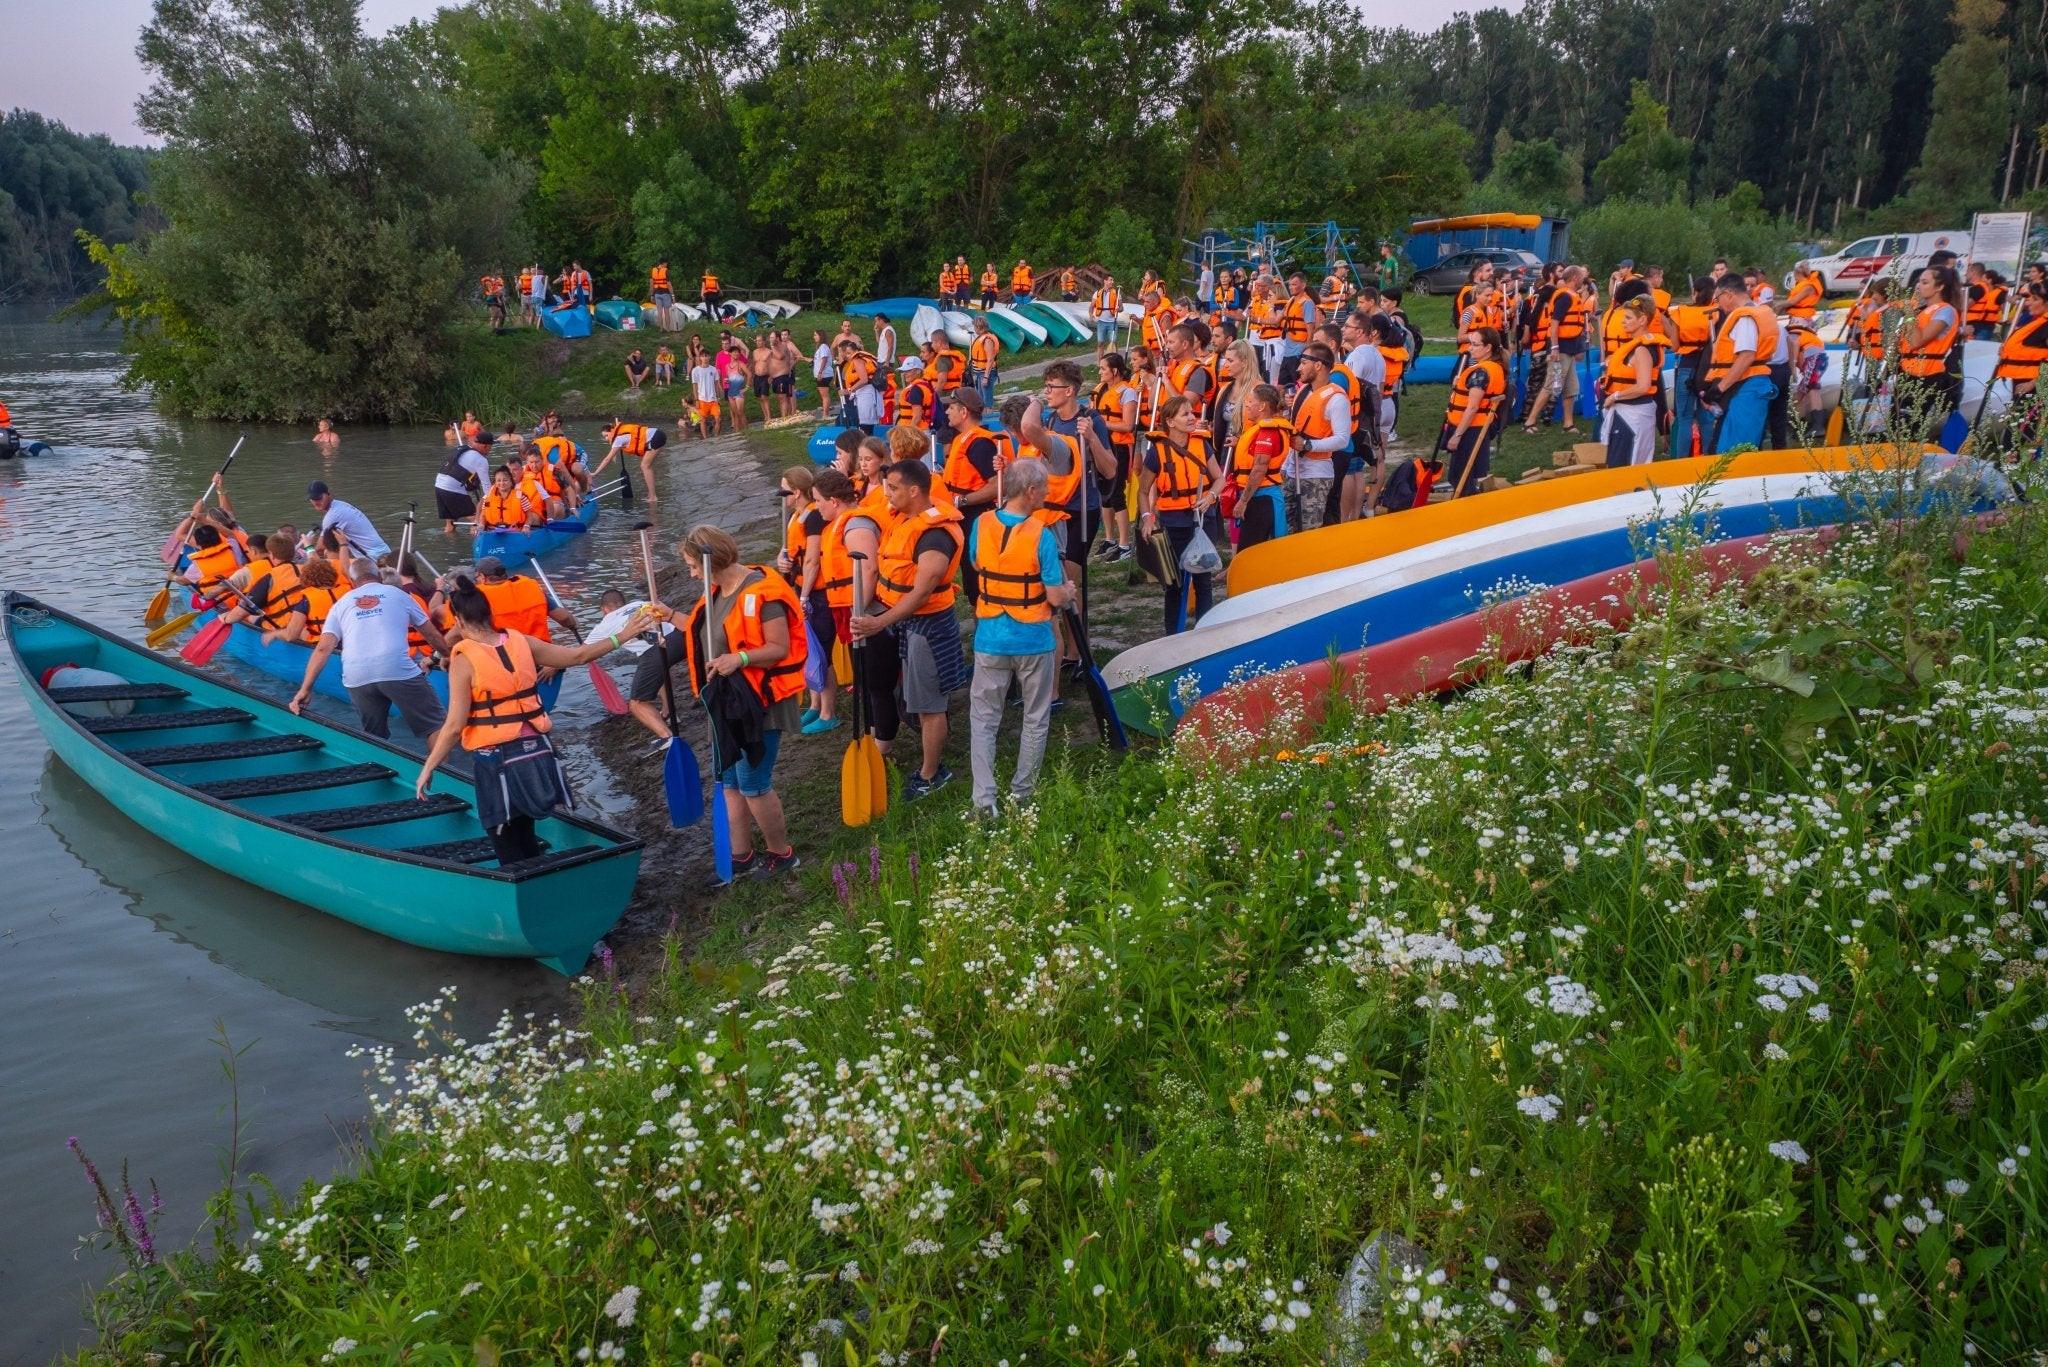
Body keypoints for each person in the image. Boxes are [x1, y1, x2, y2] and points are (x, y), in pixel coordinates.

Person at [415, 578, 646, 865]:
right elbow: (579, 655)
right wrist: (623, 634)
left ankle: (524, 883)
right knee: (525, 830)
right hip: (538, 750)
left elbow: (453, 727)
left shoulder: (464, 660)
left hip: (497, 759)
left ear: (459, 621)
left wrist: (428, 767)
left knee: (504, 837)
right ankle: (540, 876)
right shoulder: (521, 641)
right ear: (490, 613)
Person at [674, 524, 807, 880]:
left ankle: (782, 854)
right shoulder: (715, 591)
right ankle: (741, 854)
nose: (691, 575)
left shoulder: (763, 593)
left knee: (753, 784)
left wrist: (740, 659)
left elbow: (778, 648)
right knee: (730, 781)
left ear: (711, 561)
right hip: (728, 704)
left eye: (692, 566)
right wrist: (668, 616)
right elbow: (711, 632)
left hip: (760, 702)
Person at [851, 460, 967, 798]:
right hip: (908, 624)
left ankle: (931, 774)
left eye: (893, 488)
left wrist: (879, 622)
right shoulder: (904, 518)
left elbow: (921, 593)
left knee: (929, 705)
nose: (886, 494)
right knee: (916, 699)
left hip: (929, 627)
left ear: (914, 491)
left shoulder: (935, 536)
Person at [964, 457, 1073, 818]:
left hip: (990, 639)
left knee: (984, 720)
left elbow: (978, 563)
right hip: (1033, 640)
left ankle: (984, 800)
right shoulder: (1042, 535)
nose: (1047, 493)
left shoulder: (981, 524)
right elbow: (1055, 595)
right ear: (1029, 491)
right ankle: (1023, 794)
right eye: (1044, 488)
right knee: (1035, 717)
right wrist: (1068, 592)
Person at [287, 556, 451, 738]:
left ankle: (377, 751)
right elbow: (431, 634)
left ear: (352, 581)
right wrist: (445, 655)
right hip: (396, 669)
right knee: (436, 727)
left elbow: (323, 649)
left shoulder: (340, 604)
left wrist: (305, 689)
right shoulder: (399, 594)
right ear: (379, 576)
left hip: (356, 675)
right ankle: (435, 756)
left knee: (374, 736)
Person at [1138, 394, 1224, 632]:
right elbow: (1143, 492)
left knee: (1203, 582)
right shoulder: (1156, 452)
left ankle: (1203, 633)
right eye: (1185, 414)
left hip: (1202, 521)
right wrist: (1147, 518)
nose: (1192, 417)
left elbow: (1219, 479)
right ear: (1170, 422)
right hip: (1174, 524)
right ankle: (1173, 635)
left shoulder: (1202, 445)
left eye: (1192, 413)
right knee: (1174, 584)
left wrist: (1211, 496)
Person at [775, 466, 837, 734]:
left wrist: (803, 596)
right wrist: (782, 562)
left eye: (784, 490)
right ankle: (814, 705)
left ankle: (828, 713)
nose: (782, 495)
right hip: (801, 588)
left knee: (822, 650)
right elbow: (790, 551)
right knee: (808, 649)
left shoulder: (813, 517)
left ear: (797, 491)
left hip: (816, 594)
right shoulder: (795, 517)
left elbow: (812, 560)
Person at [1701, 273, 1780, 453]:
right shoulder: (1759, 312)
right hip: (1752, 385)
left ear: (1728, 294)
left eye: (1718, 298)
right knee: (1745, 445)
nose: (1718, 304)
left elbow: (1746, 356)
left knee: (1734, 450)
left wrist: (1719, 389)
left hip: (1747, 388)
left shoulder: (1744, 318)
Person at [1285, 342, 1350, 534]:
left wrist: (1307, 444)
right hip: (1291, 469)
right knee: (1287, 529)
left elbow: (1342, 439)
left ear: (1318, 365)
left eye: (1303, 363)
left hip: (1315, 474)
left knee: (1309, 530)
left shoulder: (1336, 399)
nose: (1299, 368)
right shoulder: (1303, 391)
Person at [1896, 263, 1964, 426]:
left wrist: (1909, 314)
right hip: (1908, 371)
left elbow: (1916, 341)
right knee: (1896, 421)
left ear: (1940, 287)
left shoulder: (1945, 311)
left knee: (1909, 424)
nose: (1918, 286)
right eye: (1919, 282)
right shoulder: (1921, 311)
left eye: (1925, 282)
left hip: (1926, 375)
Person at [1227, 382, 1291, 552]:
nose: (1247, 405)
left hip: (1264, 498)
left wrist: (1243, 501)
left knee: (1254, 552)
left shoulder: (1268, 432)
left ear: (1262, 406)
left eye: (1250, 401)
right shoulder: (1259, 430)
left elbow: (1259, 469)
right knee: (1249, 550)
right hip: (1256, 496)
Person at [1600, 297, 1662, 466]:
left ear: (1642, 320)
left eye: (1628, 318)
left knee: (1623, 466)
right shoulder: (1637, 345)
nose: (1623, 322)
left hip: (1632, 415)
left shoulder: (1642, 349)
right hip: (1630, 413)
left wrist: (1614, 396)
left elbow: (1643, 386)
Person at [1092, 352, 1141, 562]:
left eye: (1103, 368)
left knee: (1116, 494)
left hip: (1119, 447)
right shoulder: (1101, 390)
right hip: (1102, 446)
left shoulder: (1127, 392)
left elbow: (1128, 425)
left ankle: (1124, 544)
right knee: (1104, 494)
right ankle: (1109, 539)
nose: (1100, 372)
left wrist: (1101, 423)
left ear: (1114, 371)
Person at [1444, 328, 1507, 494]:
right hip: (1477, 426)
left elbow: (1472, 407)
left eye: (1475, 345)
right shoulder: (1493, 367)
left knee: (1461, 477)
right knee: (1462, 476)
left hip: (1471, 429)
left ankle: (1467, 503)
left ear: (1488, 348)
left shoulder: (1481, 373)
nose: (1470, 348)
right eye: (1470, 344)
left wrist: (1457, 435)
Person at [1666, 276, 1717, 459]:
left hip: (1687, 366)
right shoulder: (1716, 313)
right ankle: (1709, 457)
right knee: (1706, 417)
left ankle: (1681, 461)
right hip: (1708, 368)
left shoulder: (1680, 313)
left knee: (1685, 418)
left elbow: (1674, 346)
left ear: (1694, 292)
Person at [938, 388, 1005, 516]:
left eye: (951, 408)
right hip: (960, 512)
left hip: (974, 516)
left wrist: (962, 501)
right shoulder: (961, 438)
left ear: (963, 412)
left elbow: (998, 486)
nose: (947, 412)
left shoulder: (980, 444)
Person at [1994, 281, 2048, 407]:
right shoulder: (2038, 321)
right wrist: (2008, 351)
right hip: (2023, 382)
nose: (2028, 303)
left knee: (2025, 419)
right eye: (2030, 299)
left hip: (2033, 386)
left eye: (2035, 299)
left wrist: (2033, 383)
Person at [307, 480, 390, 558]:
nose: (316, 502)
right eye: (313, 499)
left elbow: (319, 550)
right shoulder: (341, 505)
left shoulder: (333, 515)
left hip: (374, 557)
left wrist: (308, 546)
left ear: (328, 493)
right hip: (383, 552)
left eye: (319, 498)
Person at [594, 417, 668, 501]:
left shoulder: (618, 439)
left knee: (645, 466)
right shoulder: (618, 435)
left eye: (606, 435)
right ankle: (651, 493)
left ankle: (653, 497)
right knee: (646, 466)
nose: (606, 439)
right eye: (604, 437)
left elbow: (607, 459)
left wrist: (595, 473)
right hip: (657, 434)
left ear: (611, 431)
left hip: (656, 437)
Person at [476, 463, 541, 531]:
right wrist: (481, 525)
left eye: (505, 480)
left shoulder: (521, 497)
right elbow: (483, 515)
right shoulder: (488, 497)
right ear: (495, 483)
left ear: (511, 482)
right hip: (493, 531)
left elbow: (529, 515)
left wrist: (526, 526)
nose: (502, 483)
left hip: (516, 531)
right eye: (498, 480)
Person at [519, 445, 573, 520]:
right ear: (527, 462)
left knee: (556, 508)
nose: (534, 465)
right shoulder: (521, 473)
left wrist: (573, 508)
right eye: (531, 462)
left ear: (542, 460)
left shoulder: (554, 471)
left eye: (537, 462)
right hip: (535, 504)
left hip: (554, 500)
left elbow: (569, 489)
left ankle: (554, 521)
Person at [689, 349, 722, 438]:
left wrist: (718, 397)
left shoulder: (713, 369)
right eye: (703, 356)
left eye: (706, 356)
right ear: (700, 357)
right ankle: (705, 438)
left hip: (713, 399)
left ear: (709, 357)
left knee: (718, 419)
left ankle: (716, 436)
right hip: (702, 399)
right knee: (703, 420)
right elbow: (694, 386)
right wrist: (696, 400)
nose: (705, 358)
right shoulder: (695, 370)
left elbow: (716, 384)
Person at [969, 317, 1001, 405]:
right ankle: (984, 414)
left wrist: (986, 377)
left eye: (974, 327)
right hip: (980, 373)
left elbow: (990, 359)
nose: (974, 329)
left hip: (985, 373)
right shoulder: (981, 338)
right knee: (981, 400)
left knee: (987, 401)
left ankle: (989, 413)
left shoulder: (987, 340)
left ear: (978, 327)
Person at [1091, 276, 1123, 351]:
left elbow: (1121, 308)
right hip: (1101, 322)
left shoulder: (1117, 293)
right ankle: (1100, 359)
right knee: (1100, 343)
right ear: (1105, 281)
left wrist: (1118, 309)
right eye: (1110, 280)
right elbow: (1091, 306)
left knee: (1113, 342)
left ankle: (1115, 357)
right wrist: (1091, 314)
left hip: (1112, 322)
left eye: (1113, 280)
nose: (1112, 282)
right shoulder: (1097, 293)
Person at [811, 330, 836, 419]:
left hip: (824, 374)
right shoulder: (820, 347)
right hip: (822, 374)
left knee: (825, 395)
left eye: (815, 335)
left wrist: (820, 372)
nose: (814, 337)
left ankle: (826, 414)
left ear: (820, 336)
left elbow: (824, 359)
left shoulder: (823, 347)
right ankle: (826, 413)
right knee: (823, 395)